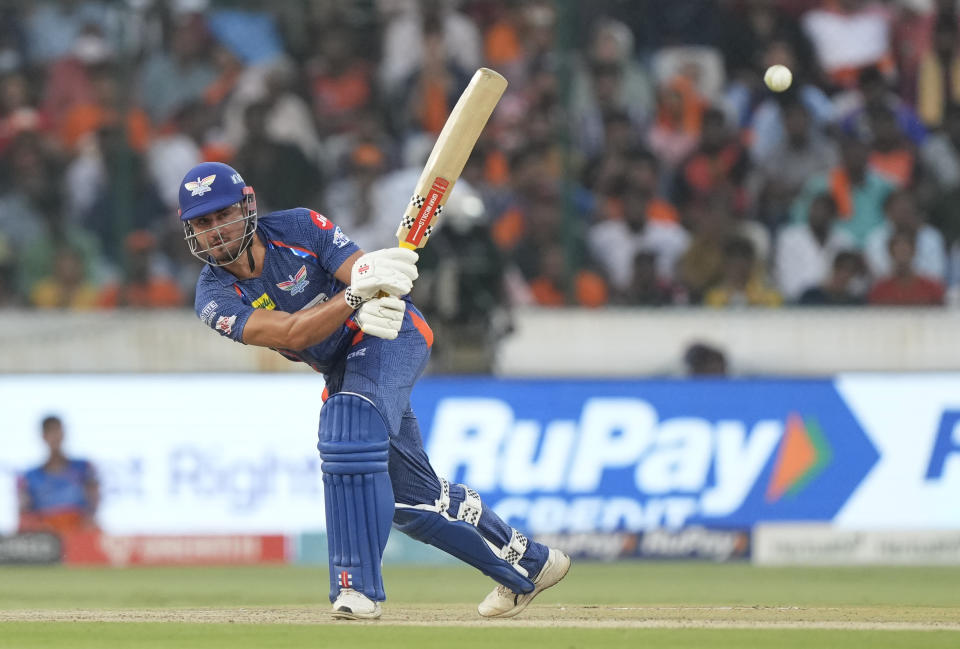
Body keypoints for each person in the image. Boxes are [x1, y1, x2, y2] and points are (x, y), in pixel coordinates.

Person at [176, 161, 570, 620]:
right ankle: (529, 564)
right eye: (202, 223)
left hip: (392, 334)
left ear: (247, 207)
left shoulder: (300, 226)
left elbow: (357, 267)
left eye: (222, 215)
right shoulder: (213, 297)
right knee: (413, 502)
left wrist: (376, 273)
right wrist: (354, 298)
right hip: (342, 365)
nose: (215, 232)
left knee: (346, 427)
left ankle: (357, 589)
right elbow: (291, 334)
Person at [17, 415, 100, 535]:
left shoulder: (83, 468)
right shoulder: (29, 477)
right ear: (44, 436)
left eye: (58, 430)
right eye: (51, 431)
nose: (55, 436)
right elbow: (24, 511)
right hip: (44, 535)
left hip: (79, 531)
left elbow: (93, 503)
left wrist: (86, 521)